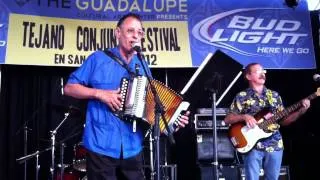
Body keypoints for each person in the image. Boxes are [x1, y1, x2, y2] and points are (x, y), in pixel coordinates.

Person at [64, 13, 190, 180]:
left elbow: (151, 105)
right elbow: (69, 88)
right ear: (118, 33)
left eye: (139, 32)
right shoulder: (98, 58)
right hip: (101, 142)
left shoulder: (143, 64)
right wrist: (99, 93)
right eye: (130, 31)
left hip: (132, 145)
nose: (135, 36)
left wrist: (172, 121)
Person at [224, 63, 310, 180]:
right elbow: (227, 119)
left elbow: (284, 121)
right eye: (257, 71)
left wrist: (301, 111)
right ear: (248, 76)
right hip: (252, 145)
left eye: (263, 71)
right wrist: (244, 116)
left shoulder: (274, 95)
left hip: (275, 144)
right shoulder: (241, 96)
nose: (262, 73)